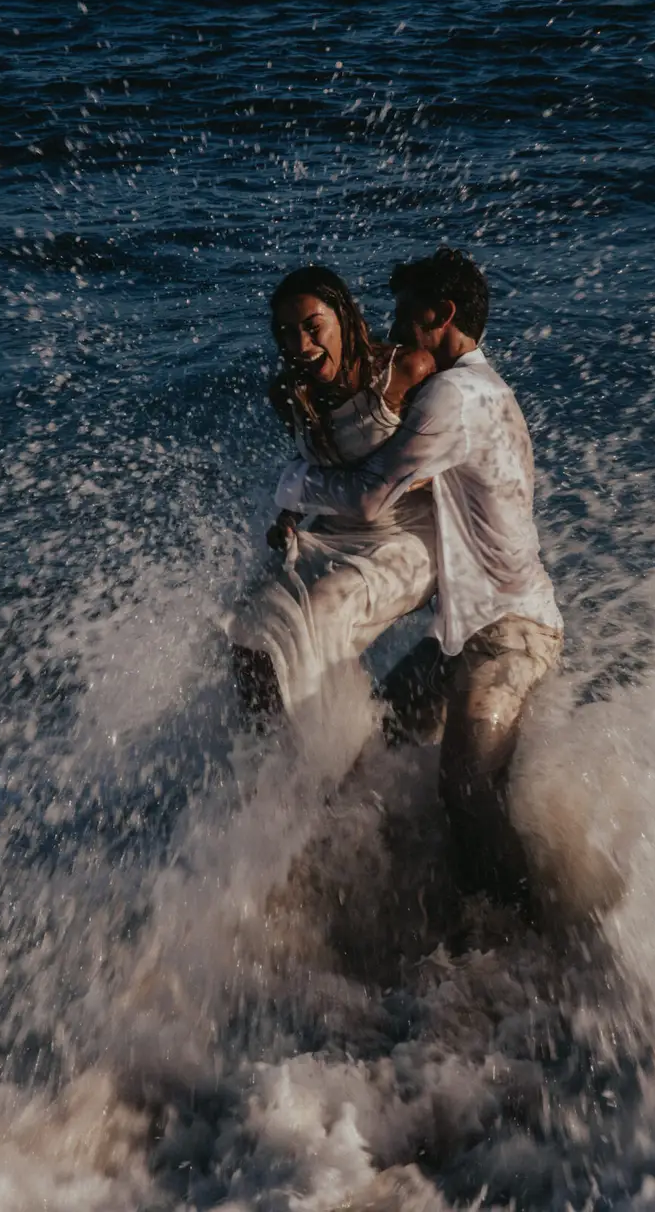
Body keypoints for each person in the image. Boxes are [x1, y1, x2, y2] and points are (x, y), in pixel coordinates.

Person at [273, 248, 564, 912]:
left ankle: (522, 933)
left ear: (442, 313)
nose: (395, 327)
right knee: (377, 745)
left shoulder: (450, 396)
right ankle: (419, 899)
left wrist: (294, 485)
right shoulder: (481, 392)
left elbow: (375, 497)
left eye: (406, 312)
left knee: (463, 784)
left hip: (512, 635)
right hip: (464, 636)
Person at [228, 266, 438, 728]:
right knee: (247, 628)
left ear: (342, 316)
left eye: (312, 326)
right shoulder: (289, 394)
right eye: (287, 334)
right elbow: (318, 467)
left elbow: (455, 448)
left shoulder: (407, 370)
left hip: (407, 535)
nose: (301, 345)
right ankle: (267, 757)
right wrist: (287, 516)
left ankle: (325, 766)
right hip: (336, 529)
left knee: (319, 614)